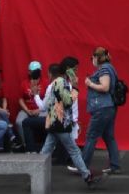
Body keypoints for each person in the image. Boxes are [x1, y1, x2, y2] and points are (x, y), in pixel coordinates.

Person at [40, 59, 104, 187]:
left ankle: (35, 174)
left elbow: (50, 103)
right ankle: (87, 176)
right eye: (74, 69)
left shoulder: (58, 82)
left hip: (55, 122)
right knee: (74, 150)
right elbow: (68, 102)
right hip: (61, 123)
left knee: (45, 152)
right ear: (67, 69)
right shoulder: (61, 82)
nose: (76, 72)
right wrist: (75, 87)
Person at [82, 47, 122, 174]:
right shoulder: (109, 67)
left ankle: (82, 167)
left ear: (97, 57)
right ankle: (115, 166)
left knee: (91, 136)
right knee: (109, 137)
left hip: (102, 108)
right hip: (108, 107)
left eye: (92, 58)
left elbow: (105, 87)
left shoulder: (104, 69)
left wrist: (89, 83)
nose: (91, 60)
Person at [15, 60, 45, 150]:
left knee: (48, 120)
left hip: (41, 109)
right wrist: (27, 110)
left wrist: (39, 110)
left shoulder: (45, 82)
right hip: (27, 109)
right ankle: (26, 145)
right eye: (31, 70)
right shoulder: (24, 83)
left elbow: (48, 102)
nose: (32, 72)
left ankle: (47, 146)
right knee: (19, 122)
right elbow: (20, 99)